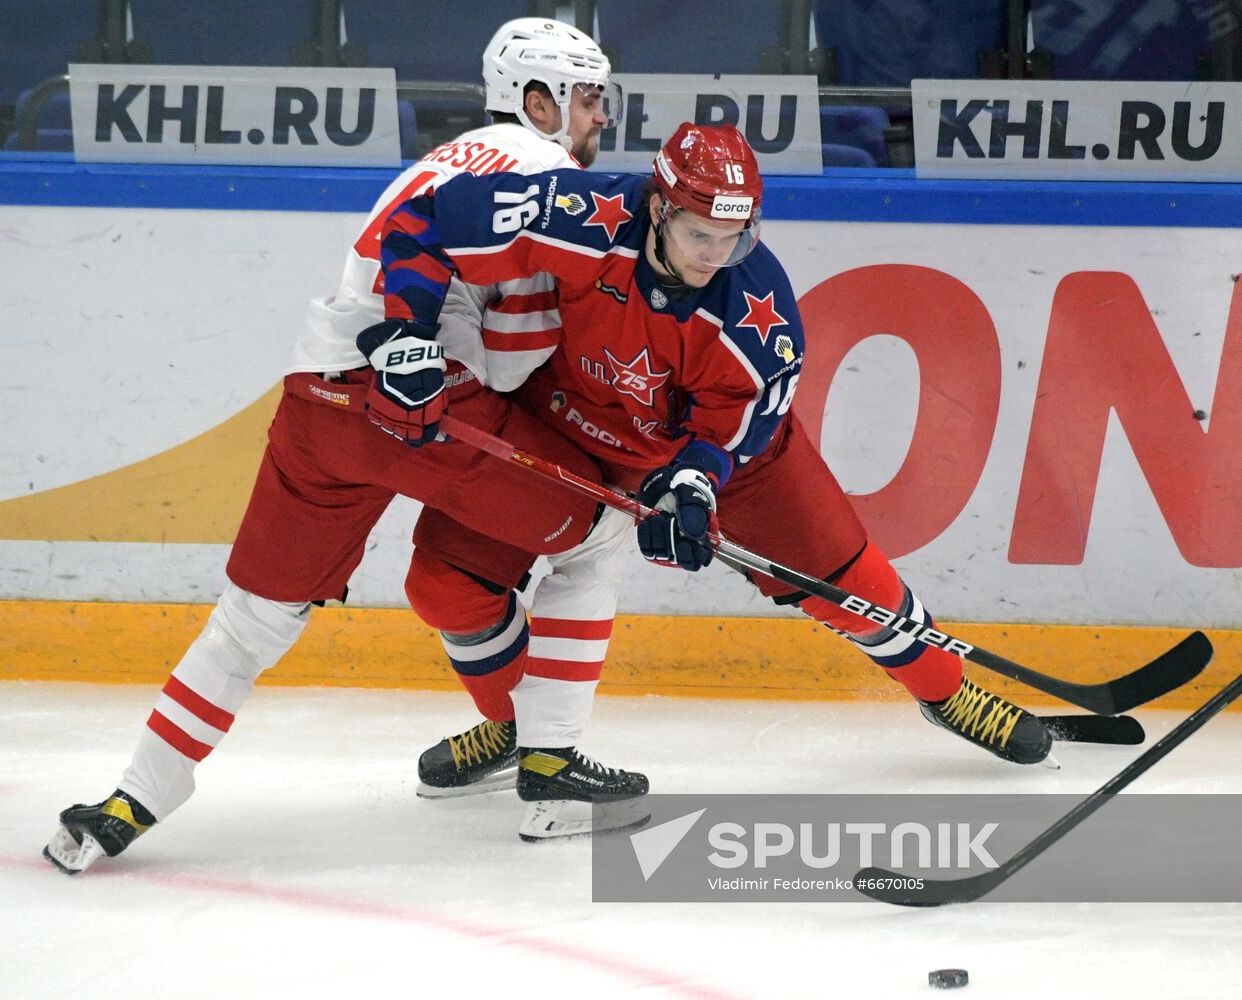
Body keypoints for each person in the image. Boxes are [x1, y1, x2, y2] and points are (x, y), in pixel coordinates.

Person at [43, 18, 644, 875]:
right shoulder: (542, 168)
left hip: (318, 398)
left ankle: (129, 803)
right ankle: (551, 781)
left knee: (251, 620)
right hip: (424, 407)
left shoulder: (444, 157)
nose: (598, 119)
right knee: (601, 530)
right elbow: (506, 364)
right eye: (587, 98)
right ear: (538, 99)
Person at [367, 122, 1055, 777]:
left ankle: (949, 692)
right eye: (699, 233)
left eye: (734, 236)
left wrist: (693, 482)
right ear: (658, 207)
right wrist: (409, 334)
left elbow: (733, 429)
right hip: (565, 424)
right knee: (443, 585)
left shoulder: (762, 316)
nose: (714, 256)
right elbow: (425, 221)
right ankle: (519, 728)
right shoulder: (582, 215)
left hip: (723, 459)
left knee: (849, 582)